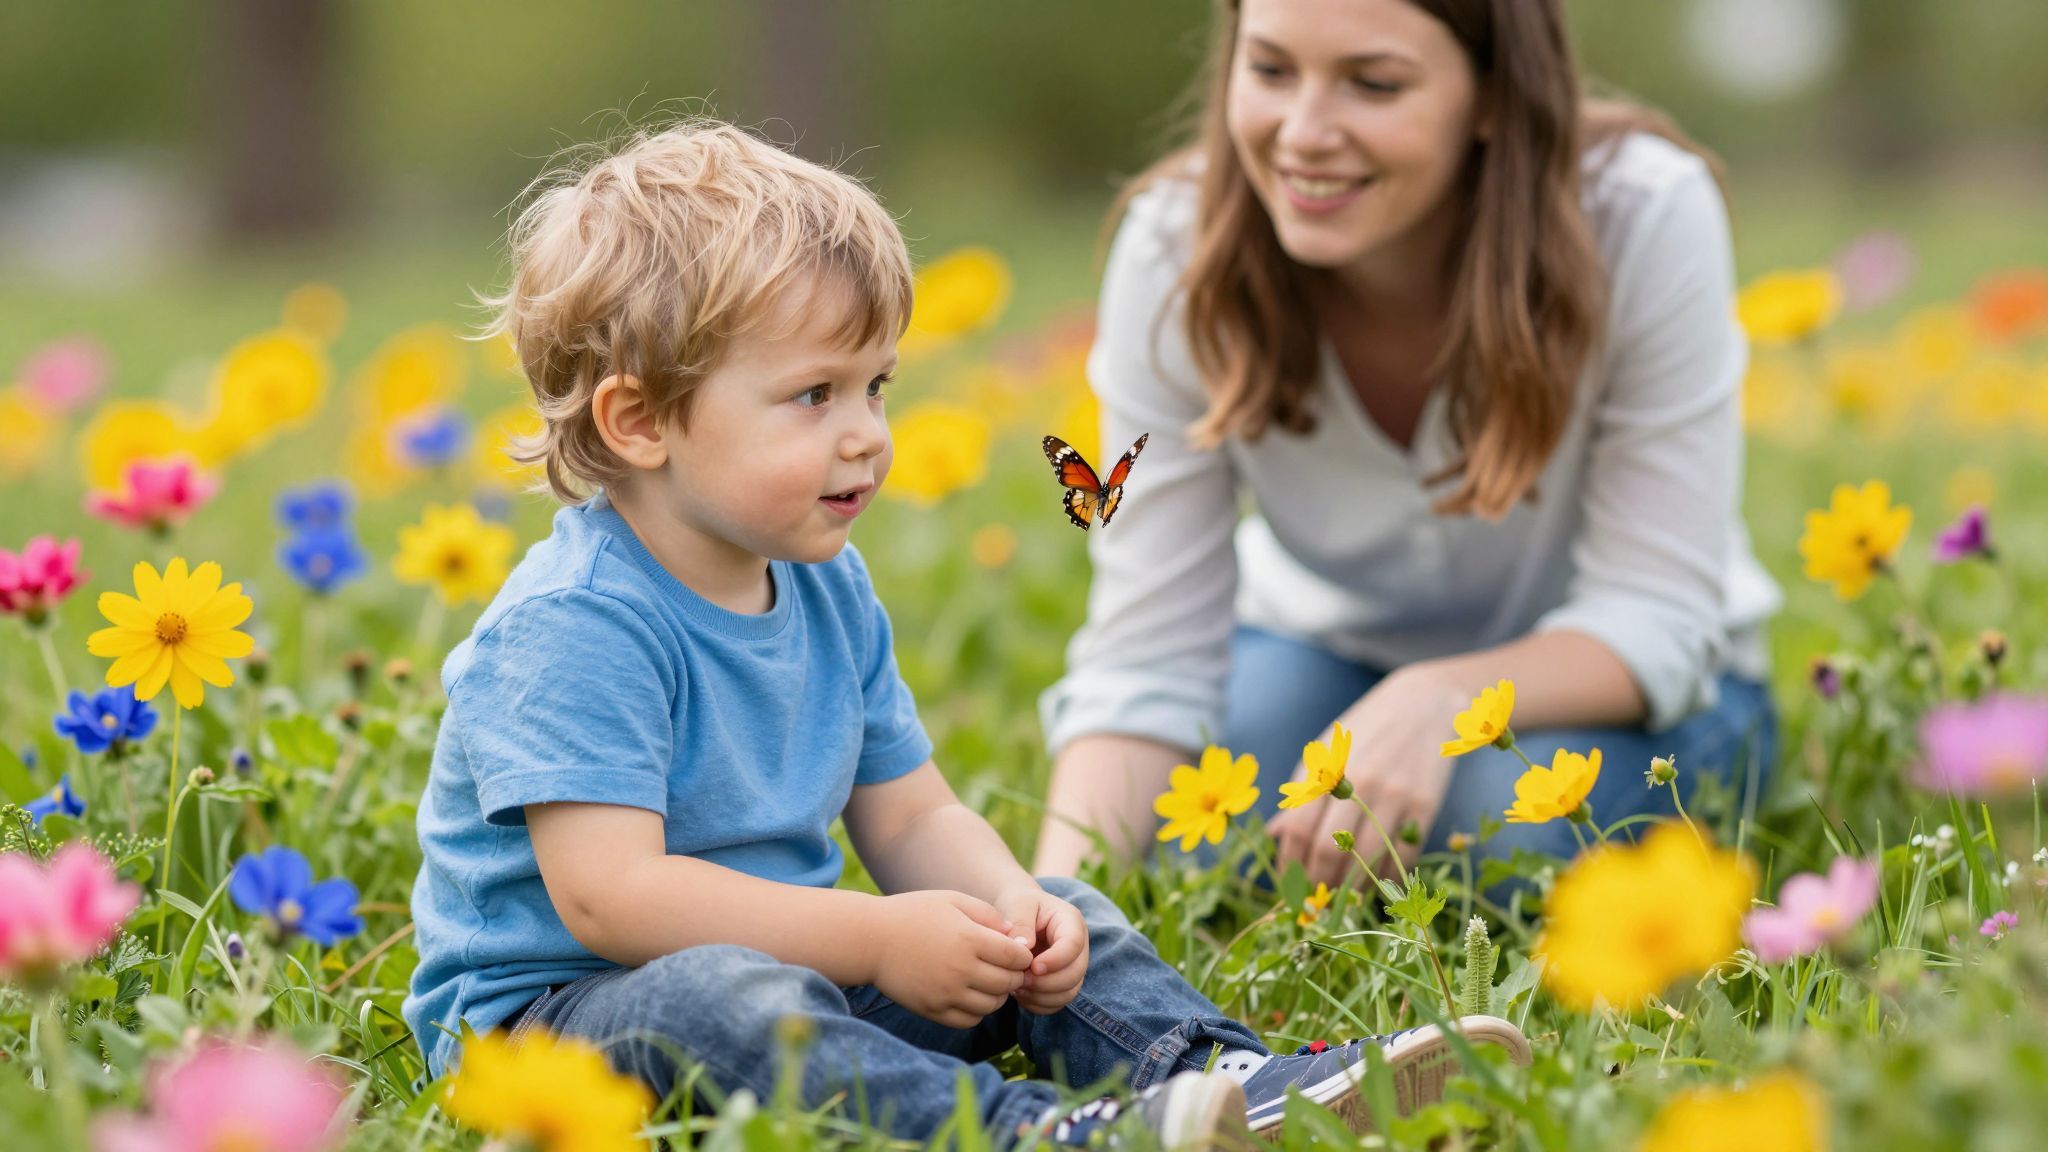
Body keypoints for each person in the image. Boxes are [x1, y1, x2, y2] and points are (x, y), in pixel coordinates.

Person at [399, 120, 1529, 1151]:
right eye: (813, 397)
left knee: (1048, 909)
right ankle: (1038, 1135)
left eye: (875, 386)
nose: (867, 439)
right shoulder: (574, 625)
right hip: (563, 1030)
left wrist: (1009, 908)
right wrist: (876, 939)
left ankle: (1224, 1084)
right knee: (724, 999)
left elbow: (911, 811)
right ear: (639, 420)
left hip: (798, 978)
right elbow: (615, 900)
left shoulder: (823, 587)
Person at [1034, 0, 1782, 887]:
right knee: (1197, 818)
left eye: (1374, 84)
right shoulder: (1174, 250)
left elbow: (1654, 616)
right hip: (1321, 651)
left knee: (1507, 837)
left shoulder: (1644, 214)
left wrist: (1442, 697)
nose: (1303, 134)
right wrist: (1056, 914)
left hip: (1627, 691)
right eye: (1271, 70)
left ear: (1496, 93)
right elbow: (1148, 656)